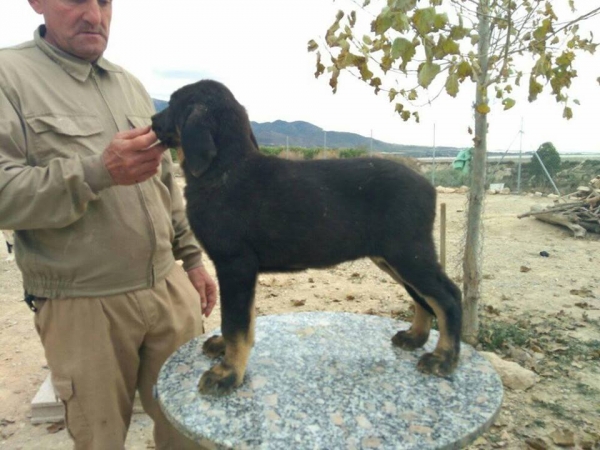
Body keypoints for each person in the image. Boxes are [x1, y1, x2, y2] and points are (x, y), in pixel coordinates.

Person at [0, 1, 218, 449]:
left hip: (168, 291)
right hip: (82, 306)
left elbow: (164, 184)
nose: (94, 17)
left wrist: (191, 259)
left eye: (104, 1)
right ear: (36, 2)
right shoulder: (9, 77)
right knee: (100, 440)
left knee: (192, 433)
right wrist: (96, 171)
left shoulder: (129, 85)